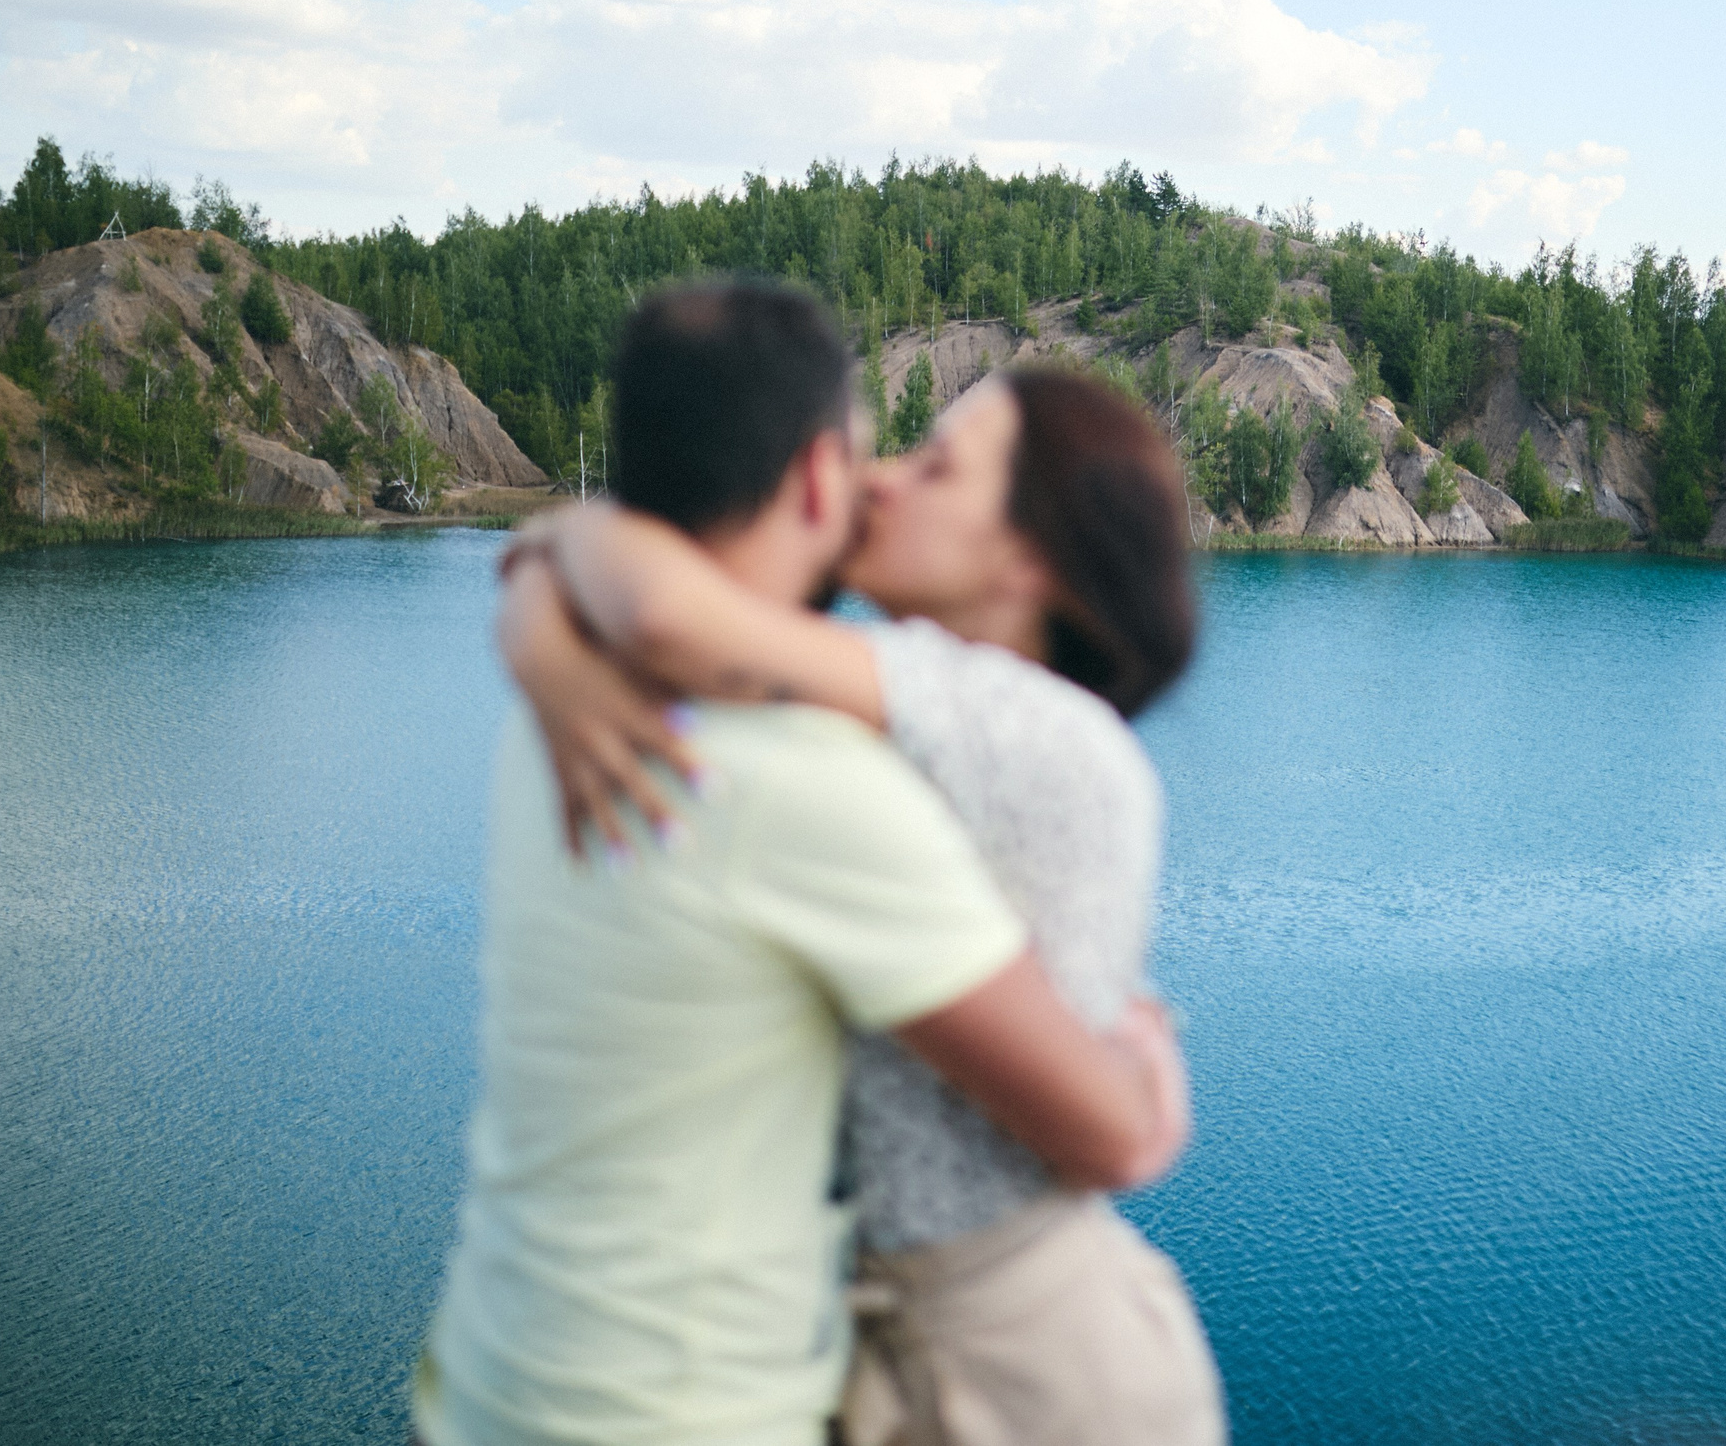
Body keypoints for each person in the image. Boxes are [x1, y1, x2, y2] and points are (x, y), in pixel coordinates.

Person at [412, 281, 1190, 1446]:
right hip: (813, 1367)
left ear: (1033, 561)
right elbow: (671, 618)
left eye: (935, 469)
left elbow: (670, 614)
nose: (884, 481)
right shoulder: (838, 742)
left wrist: (541, 609)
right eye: (890, 453)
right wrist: (543, 604)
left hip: (1020, 1368)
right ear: (817, 477)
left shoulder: (973, 731)